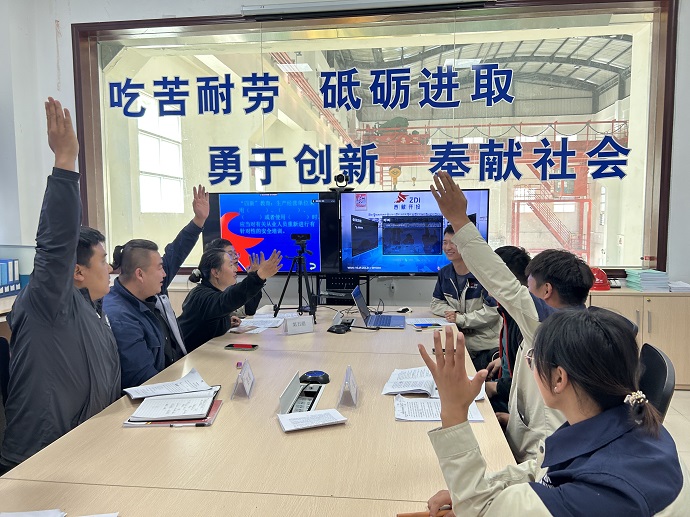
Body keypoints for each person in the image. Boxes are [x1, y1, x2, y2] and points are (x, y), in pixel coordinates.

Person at [420, 313, 689, 516]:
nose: (531, 366)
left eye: (533, 357)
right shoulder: (631, 421)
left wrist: (454, 411)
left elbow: (478, 513)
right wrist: (486, 489)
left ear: (559, 378)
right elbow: (544, 470)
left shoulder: (597, 494)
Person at [430, 171, 593, 462]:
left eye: (528, 286)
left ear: (546, 290)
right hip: (541, 444)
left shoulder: (547, 326)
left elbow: (501, 282)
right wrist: (513, 423)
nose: (522, 292)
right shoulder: (586, 330)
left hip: (541, 463)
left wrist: (459, 220)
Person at [0, 98, 120, 474]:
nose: (111, 268)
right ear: (76, 270)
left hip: (86, 452)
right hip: (39, 462)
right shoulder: (49, 302)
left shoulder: (93, 309)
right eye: (103, 260)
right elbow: (55, 245)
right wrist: (66, 162)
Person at [103, 187, 209, 390]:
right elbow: (145, 381)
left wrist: (198, 221)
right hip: (159, 392)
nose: (164, 274)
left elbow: (176, 252)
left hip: (178, 374)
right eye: (160, 268)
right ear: (140, 274)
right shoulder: (120, 317)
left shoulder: (150, 289)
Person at [177, 248, 282, 351]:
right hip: (187, 358)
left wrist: (226, 322)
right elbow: (229, 299)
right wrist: (259, 276)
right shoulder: (201, 296)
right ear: (216, 273)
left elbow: (210, 320)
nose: (235, 269)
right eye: (231, 265)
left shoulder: (209, 291)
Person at [431, 225, 501, 372]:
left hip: (485, 344)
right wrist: (453, 313)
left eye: (453, 243)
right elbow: (436, 303)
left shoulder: (483, 274)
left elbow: (493, 312)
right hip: (459, 341)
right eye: (445, 242)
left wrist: (461, 319)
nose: (448, 247)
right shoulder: (445, 273)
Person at [485, 246, 531, 417]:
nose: (488, 290)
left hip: (515, 403)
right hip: (507, 387)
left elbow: (529, 386)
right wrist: (503, 359)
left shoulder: (525, 321)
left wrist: (495, 387)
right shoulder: (507, 311)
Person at [204, 238, 262, 318]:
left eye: (235, 253)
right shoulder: (207, 294)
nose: (235, 257)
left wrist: (254, 277)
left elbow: (248, 310)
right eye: (230, 254)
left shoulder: (229, 282)